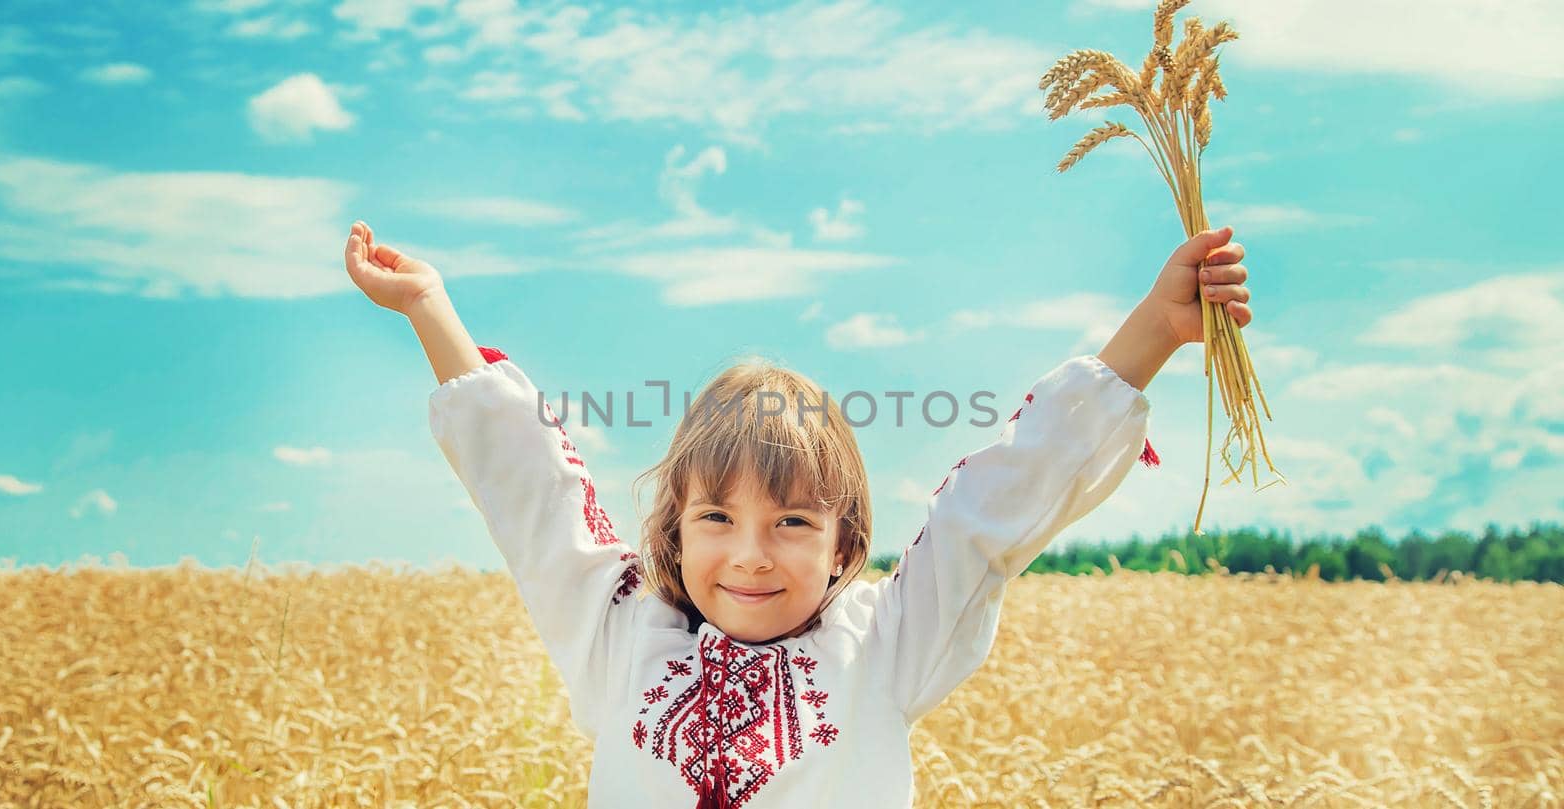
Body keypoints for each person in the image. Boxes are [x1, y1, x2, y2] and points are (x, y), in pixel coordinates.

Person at [342, 220, 1254, 808]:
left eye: (791, 522)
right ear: (671, 533)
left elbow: (991, 505)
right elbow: (534, 494)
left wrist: (1154, 332)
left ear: (845, 542)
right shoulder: (620, 633)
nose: (750, 555)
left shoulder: (886, 642)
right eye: (715, 519)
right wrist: (429, 308)